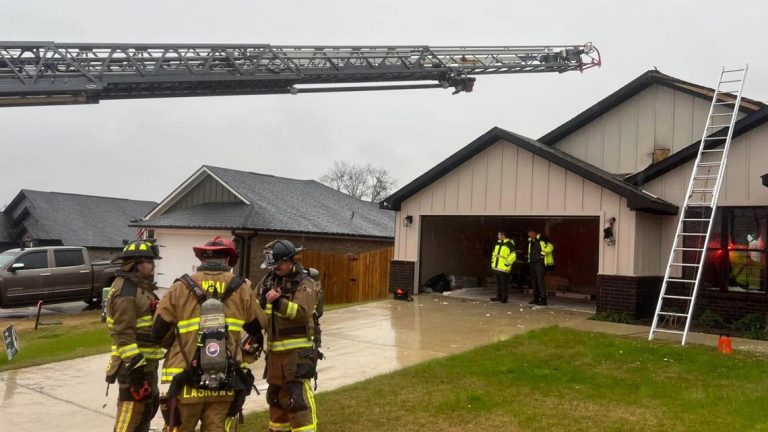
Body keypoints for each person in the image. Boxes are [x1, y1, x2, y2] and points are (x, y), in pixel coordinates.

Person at [151, 236, 266, 432]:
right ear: (229, 261)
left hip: (183, 379)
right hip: (225, 380)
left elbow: (158, 332)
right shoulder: (242, 288)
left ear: (202, 259)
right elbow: (258, 326)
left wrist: (179, 343)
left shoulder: (179, 287)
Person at [256, 240, 322, 432]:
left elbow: (302, 312)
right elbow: (254, 306)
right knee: (276, 397)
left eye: (278, 264)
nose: (275, 269)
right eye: (272, 266)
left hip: (297, 354)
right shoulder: (268, 281)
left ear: (290, 261)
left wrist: (279, 303)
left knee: (297, 398)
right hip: (275, 353)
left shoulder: (305, 283)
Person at [105, 239, 164, 432]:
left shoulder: (140, 288)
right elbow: (123, 333)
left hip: (146, 364)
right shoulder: (127, 292)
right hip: (134, 367)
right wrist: (135, 364)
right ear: (136, 264)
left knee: (145, 412)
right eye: (150, 261)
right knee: (130, 416)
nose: (154, 266)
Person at [527, 229, 554, 306]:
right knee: (534, 282)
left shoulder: (542, 239)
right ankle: (536, 299)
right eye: (529, 233)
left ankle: (543, 299)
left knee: (540, 282)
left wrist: (543, 252)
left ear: (535, 233)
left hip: (539, 263)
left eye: (531, 232)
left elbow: (551, 247)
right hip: (532, 263)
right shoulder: (530, 241)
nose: (530, 234)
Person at [489, 231, 516, 303]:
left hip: (504, 268)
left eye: (499, 235)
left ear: (503, 235)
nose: (498, 236)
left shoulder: (509, 244)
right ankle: (499, 296)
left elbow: (513, 256)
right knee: (498, 284)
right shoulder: (497, 243)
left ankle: (504, 297)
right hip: (496, 267)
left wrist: (507, 263)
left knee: (504, 284)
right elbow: (494, 254)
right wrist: (492, 262)